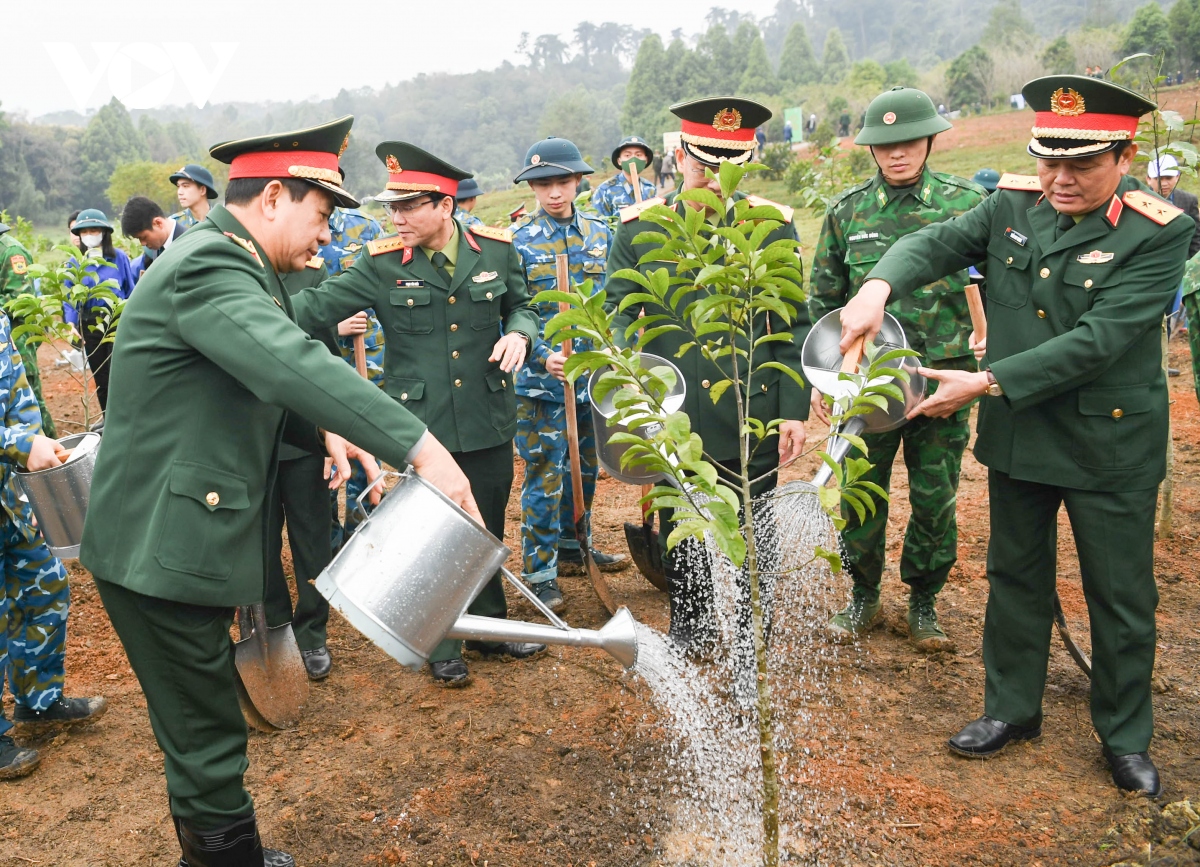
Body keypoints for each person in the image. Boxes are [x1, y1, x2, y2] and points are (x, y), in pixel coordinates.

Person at [80, 115, 481, 866]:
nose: (327, 236)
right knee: (207, 743)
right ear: (272, 197)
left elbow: (239, 383)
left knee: (199, 732)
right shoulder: (209, 266)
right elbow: (286, 359)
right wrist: (421, 447)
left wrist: (327, 433)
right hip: (158, 554)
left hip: (169, 541)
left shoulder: (234, 266)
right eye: (322, 215)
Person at [837, 75, 1193, 798]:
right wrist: (876, 287)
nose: (1059, 178)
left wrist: (986, 380)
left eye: (1082, 163)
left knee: (1119, 595)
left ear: (1123, 156)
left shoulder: (1160, 231)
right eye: (1049, 159)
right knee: (1016, 577)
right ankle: (1011, 708)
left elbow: (1097, 341)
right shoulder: (1011, 204)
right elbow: (934, 242)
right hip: (1023, 435)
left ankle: (1124, 737)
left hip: (1107, 442)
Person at [291, 141, 544, 687]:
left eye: (407, 207)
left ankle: (489, 627)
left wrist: (521, 333)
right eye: (391, 207)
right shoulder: (379, 264)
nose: (395, 217)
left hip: (486, 412)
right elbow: (311, 310)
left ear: (445, 206)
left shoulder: (496, 251)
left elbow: (522, 304)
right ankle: (443, 642)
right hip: (417, 423)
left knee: (487, 521)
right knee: (431, 534)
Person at [604, 97, 810, 656]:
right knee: (683, 523)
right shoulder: (642, 229)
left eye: (731, 164)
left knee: (753, 524)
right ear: (681, 158)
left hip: (753, 411)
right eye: (705, 164)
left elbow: (792, 323)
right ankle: (692, 625)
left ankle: (751, 635)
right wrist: (632, 383)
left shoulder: (770, 226)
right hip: (679, 412)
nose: (719, 178)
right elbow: (619, 312)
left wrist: (792, 406)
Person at [810, 86, 986, 653]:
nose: (897, 154)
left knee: (936, 496)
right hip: (868, 384)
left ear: (930, 140)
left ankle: (924, 600)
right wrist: (824, 378)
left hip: (942, 380)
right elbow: (824, 304)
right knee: (861, 491)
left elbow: (1006, 286)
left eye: (908, 141)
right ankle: (862, 594)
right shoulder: (847, 213)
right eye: (884, 145)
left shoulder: (967, 206)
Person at [511, 137, 625, 612]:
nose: (553, 193)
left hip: (592, 377)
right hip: (543, 383)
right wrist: (540, 354)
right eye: (543, 184)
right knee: (544, 474)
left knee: (585, 468)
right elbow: (511, 313)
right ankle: (539, 573)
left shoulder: (602, 234)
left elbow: (617, 301)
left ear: (578, 181)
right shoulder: (516, 242)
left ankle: (575, 546)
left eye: (561, 182)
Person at [0, 310, 106, 780]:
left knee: (43, 584)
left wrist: (33, 442)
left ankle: (38, 702)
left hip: (8, 493)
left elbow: (17, 394)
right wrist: (17, 442)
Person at [264, 256, 357, 681]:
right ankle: (276, 629)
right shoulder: (234, 266)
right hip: (252, 440)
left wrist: (331, 431)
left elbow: (325, 359)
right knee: (259, 546)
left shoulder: (312, 272)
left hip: (305, 436)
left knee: (312, 541)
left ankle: (312, 634)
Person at [317, 203, 388, 548]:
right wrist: (335, 325)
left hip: (367, 365)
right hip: (323, 365)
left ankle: (361, 543)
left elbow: (386, 292)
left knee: (366, 456)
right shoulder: (298, 229)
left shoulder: (367, 228)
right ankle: (328, 548)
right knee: (328, 461)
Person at [64, 209, 137, 416]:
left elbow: (130, 291)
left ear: (104, 232)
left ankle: (127, 418)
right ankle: (109, 420)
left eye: (94, 230)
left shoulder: (119, 258)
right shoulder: (75, 263)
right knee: (101, 377)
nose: (89, 234)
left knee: (120, 374)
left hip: (116, 322)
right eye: (84, 231)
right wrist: (70, 324)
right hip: (90, 325)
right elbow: (70, 301)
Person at [0, 222, 55, 436]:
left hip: (16, 340)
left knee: (29, 402)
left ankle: (57, 461)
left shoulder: (11, 252)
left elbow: (19, 300)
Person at [590, 135, 657, 219]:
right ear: (619, 161)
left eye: (638, 155)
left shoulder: (650, 188)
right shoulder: (604, 190)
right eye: (627, 155)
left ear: (646, 160)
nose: (633, 159)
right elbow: (598, 226)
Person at [1147, 155, 1200, 258]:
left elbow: (1196, 236)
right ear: (1148, 179)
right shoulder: (1139, 200)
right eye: (1159, 179)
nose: (1164, 183)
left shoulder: (1189, 200)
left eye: (1168, 178)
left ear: (1177, 177)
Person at [120, 196, 186, 280]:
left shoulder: (190, 244)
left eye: (143, 237)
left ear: (158, 223)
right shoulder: (153, 251)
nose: (142, 243)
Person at [168, 163, 219, 229]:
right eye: (178, 186)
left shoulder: (221, 222)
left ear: (202, 190)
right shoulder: (174, 224)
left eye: (185, 186)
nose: (179, 192)